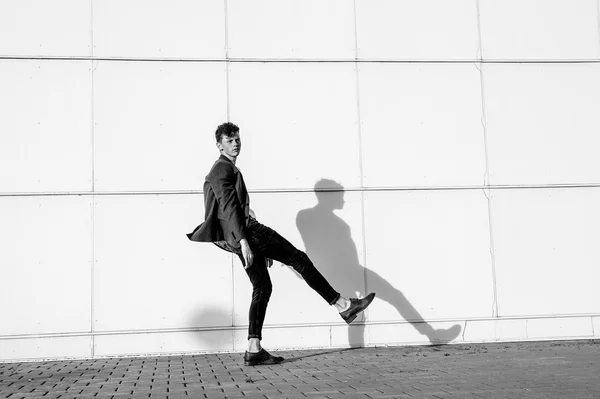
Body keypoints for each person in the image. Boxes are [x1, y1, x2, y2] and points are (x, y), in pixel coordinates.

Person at [187, 122, 375, 366]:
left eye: (237, 139)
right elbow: (228, 206)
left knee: (262, 287)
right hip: (246, 233)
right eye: (230, 140)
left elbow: (231, 204)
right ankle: (343, 305)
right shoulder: (222, 168)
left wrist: (248, 236)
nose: (236, 143)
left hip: (241, 234)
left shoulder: (226, 168)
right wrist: (245, 241)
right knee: (298, 258)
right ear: (218, 145)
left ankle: (254, 348)